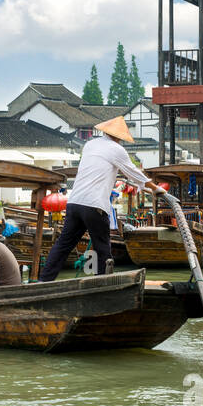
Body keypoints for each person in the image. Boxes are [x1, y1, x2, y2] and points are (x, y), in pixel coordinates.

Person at [38, 116, 162, 282]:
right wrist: (156, 189)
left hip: (74, 203)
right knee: (102, 248)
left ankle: (44, 281)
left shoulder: (90, 144)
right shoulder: (116, 149)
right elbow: (133, 172)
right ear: (119, 136)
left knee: (63, 245)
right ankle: (101, 283)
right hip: (94, 205)